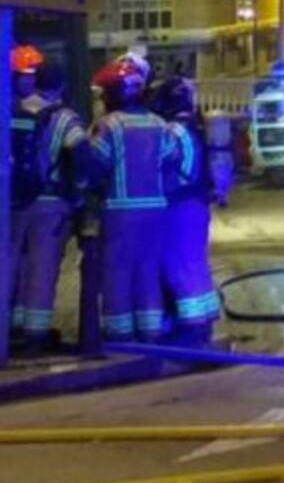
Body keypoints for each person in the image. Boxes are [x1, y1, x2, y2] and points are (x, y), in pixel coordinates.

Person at [90, 58, 177, 342]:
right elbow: (170, 159)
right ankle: (150, 329)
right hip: (157, 211)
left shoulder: (109, 126)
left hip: (120, 211)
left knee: (117, 271)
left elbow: (96, 164)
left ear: (114, 94)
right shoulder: (159, 124)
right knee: (149, 270)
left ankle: (120, 331)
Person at [8, 63, 91, 354]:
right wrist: (80, 198)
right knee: (41, 270)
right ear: (60, 86)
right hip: (50, 206)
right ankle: (35, 334)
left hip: (15, 205)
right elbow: (82, 158)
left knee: (11, 266)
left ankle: (9, 328)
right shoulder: (65, 119)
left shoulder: (12, 112)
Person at [152, 77, 221, 346]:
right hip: (197, 204)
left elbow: (159, 163)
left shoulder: (173, 132)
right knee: (195, 262)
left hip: (179, 206)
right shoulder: (197, 127)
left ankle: (191, 327)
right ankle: (204, 321)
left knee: (177, 264)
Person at [8, 44, 46, 341]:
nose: (28, 81)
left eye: (32, 76)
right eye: (23, 75)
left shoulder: (39, 108)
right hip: (12, 196)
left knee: (23, 262)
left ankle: (16, 321)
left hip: (28, 196)